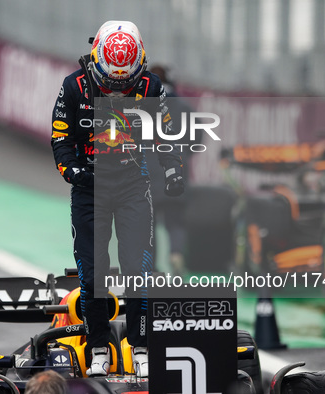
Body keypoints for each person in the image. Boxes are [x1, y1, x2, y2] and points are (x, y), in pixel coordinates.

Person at [51, 21, 184, 377]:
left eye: (124, 84)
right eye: (111, 83)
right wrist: (73, 171)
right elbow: (60, 139)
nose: (117, 89)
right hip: (88, 187)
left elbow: (167, 135)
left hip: (132, 186)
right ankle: (98, 345)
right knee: (92, 270)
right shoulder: (73, 86)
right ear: (96, 63)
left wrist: (173, 169)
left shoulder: (152, 87)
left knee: (137, 268)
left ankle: (141, 344)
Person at [146, 65, 196, 276]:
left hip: (147, 175)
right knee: (176, 222)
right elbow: (197, 139)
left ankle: (152, 270)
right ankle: (176, 254)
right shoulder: (183, 107)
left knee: (148, 226)